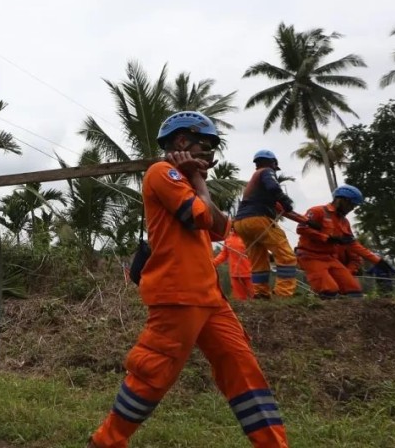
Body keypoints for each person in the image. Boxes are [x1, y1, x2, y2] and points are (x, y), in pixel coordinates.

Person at [89, 112, 288, 448]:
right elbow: (200, 217)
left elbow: (222, 228)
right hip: (178, 294)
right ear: (182, 142)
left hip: (210, 298)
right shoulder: (161, 173)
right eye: (205, 146)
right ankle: (105, 443)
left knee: (243, 369)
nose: (209, 155)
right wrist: (197, 180)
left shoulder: (184, 181)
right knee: (152, 373)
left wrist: (197, 182)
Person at [295, 185, 395, 299]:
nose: (352, 208)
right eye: (351, 204)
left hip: (330, 258)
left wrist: (378, 261)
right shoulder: (317, 211)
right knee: (329, 290)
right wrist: (326, 238)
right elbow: (301, 228)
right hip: (310, 257)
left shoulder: (344, 222)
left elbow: (353, 244)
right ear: (340, 199)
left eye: (354, 206)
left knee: (354, 291)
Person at [232, 150, 298, 299]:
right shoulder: (266, 171)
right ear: (273, 163)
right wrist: (285, 200)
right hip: (258, 219)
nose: (274, 169)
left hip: (241, 222)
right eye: (275, 166)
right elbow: (274, 187)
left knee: (258, 260)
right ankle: (284, 294)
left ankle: (261, 293)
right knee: (286, 256)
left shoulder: (254, 182)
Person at [213, 227, 252, 300]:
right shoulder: (228, 239)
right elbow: (224, 254)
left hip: (250, 274)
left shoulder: (248, 236)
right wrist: (213, 263)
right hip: (235, 274)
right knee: (239, 300)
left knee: (256, 298)